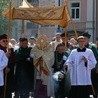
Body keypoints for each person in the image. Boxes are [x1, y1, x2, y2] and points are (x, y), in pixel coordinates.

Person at [83, 32, 98, 98]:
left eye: (85, 39)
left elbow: (96, 58)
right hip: (82, 70)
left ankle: (95, 95)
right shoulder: (78, 48)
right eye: (83, 39)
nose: (84, 40)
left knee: (93, 84)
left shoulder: (92, 48)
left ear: (88, 40)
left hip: (92, 70)